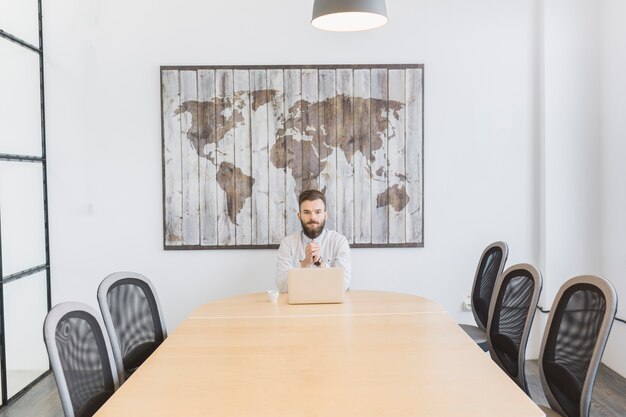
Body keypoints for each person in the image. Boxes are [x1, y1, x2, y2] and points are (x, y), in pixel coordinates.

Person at [276, 189, 351, 293]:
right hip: (297, 307)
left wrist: (320, 263)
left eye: (318, 212)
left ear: (325, 215)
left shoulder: (339, 242)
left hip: (332, 306)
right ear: (299, 216)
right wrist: (305, 263)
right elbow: (282, 286)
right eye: (306, 212)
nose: (312, 217)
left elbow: (344, 285)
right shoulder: (288, 243)